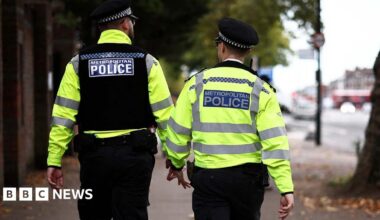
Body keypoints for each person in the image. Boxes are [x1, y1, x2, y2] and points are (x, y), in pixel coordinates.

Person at [46, 0, 173, 219]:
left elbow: (63, 116)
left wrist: (54, 160)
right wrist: (175, 157)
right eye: (132, 22)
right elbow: (165, 115)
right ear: (125, 24)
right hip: (135, 157)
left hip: (95, 158)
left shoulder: (78, 63)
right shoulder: (146, 62)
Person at [165, 18, 294, 220]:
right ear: (248, 51)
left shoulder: (196, 85)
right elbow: (275, 143)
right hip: (248, 182)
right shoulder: (262, 90)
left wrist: (176, 163)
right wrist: (285, 188)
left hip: (209, 179)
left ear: (222, 47)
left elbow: (178, 131)